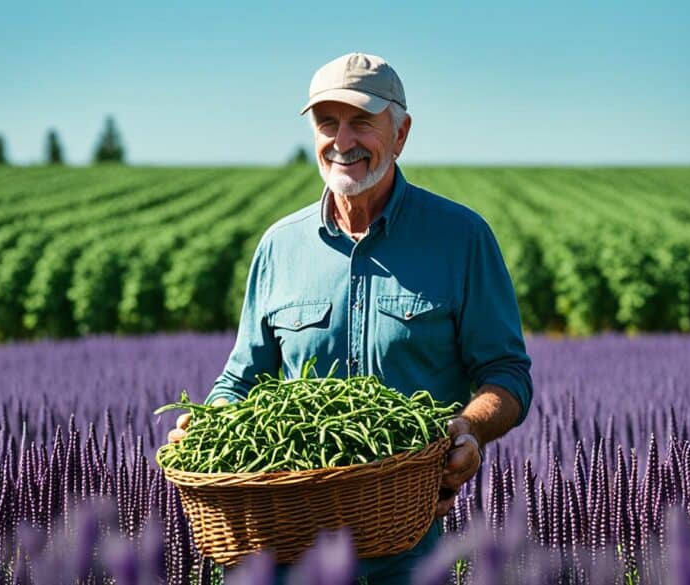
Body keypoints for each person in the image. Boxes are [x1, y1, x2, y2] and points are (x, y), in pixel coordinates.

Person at [168, 52, 533, 584]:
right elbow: (241, 378)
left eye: (362, 120)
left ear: (401, 133)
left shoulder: (461, 239)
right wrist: (208, 423)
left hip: (407, 543)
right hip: (287, 545)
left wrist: (470, 429)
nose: (342, 140)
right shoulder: (279, 247)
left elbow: (507, 373)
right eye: (326, 122)